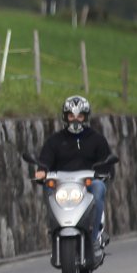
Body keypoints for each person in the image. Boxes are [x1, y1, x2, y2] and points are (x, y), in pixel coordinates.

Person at [34, 95, 114, 248]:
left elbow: (107, 163)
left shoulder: (97, 140)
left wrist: (103, 173)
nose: (75, 120)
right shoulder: (54, 141)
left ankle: (95, 236)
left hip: (88, 183)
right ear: (65, 117)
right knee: (48, 190)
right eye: (71, 116)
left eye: (80, 116)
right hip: (61, 185)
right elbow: (45, 160)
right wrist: (42, 171)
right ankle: (54, 228)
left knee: (99, 188)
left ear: (86, 117)